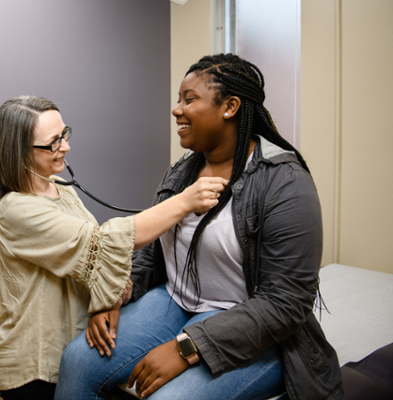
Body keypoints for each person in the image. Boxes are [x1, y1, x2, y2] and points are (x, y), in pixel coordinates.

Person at [55, 54, 343, 400]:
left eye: (189, 99)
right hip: (176, 300)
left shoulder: (285, 182)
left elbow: (287, 303)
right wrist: (120, 292)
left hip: (254, 328)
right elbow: (154, 251)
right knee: (76, 362)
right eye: (178, 100)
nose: (177, 110)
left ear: (230, 106)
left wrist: (186, 348)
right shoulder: (181, 173)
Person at [0, 95, 227, 400]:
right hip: (35, 365)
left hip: (75, 350)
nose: (66, 146)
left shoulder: (59, 187)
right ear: (19, 152)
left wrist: (115, 294)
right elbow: (102, 244)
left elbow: (89, 263)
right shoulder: (15, 209)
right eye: (53, 142)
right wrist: (183, 202)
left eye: (65, 134)